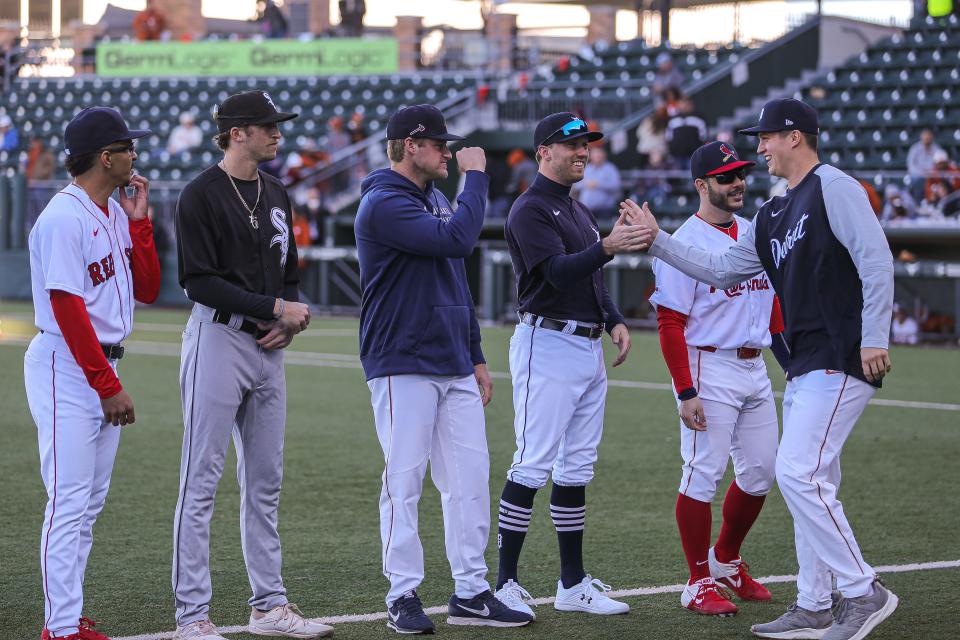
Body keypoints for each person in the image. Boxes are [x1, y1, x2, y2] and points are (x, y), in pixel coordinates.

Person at [623, 97, 898, 640]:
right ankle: (816, 604)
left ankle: (862, 591)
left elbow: (876, 259)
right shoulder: (774, 211)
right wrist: (658, 240)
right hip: (800, 366)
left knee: (795, 473)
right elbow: (721, 271)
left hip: (841, 354)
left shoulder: (834, 187)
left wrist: (874, 338)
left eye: (766, 138)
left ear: (795, 136)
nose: (760, 149)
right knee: (811, 478)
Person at [354, 104, 533, 634]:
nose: (448, 152)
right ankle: (402, 593)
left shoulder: (430, 196)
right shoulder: (383, 202)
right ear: (411, 146)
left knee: (470, 480)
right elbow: (458, 239)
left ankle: (471, 591)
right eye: (439, 144)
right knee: (404, 479)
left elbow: (455, 278)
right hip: (401, 358)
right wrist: (476, 176)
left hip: (450, 359)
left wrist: (475, 352)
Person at [171, 91, 331, 640]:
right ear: (237, 132)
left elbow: (288, 271)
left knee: (265, 483)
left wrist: (286, 318)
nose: (277, 133)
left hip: (269, 348)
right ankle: (192, 616)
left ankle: (269, 608)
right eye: (267, 126)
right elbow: (197, 280)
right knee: (201, 482)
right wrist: (274, 309)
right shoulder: (200, 195)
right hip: (218, 338)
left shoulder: (277, 191)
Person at [493, 113, 646, 619]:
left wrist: (614, 318)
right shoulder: (530, 209)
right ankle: (506, 584)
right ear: (543, 152)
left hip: (585, 345)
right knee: (533, 461)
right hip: (548, 341)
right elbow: (556, 275)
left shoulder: (575, 209)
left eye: (585, 144)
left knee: (577, 465)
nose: (582, 151)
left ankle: (572, 584)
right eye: (571, 144)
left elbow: (592, 282)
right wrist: (605, 248)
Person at [25, 107, 160, 640]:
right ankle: (59, 628)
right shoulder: (64, 216)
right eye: (128, 147)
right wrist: (106, 384)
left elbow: (146, 288)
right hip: (67, 364)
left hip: (97, 362)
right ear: (106, 158)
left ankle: (66, 613)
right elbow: (66, 306)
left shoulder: (113, 211)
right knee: (69, 498)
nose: (135, 155)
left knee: (87, 503)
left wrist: (142, 220)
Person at [650, 141, 788, 617]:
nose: (737, 183)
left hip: (753, 365)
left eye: (740, 174)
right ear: (701, 185)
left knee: (761, 472)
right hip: (709, 364)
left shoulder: (754, 231)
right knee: (702, 474)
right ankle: (697, 581)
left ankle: (726, 559)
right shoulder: (683, 241)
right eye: (726, 176)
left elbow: (772, 306)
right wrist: (685, 390)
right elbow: (669, 323)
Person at [571, 144, 621, 218]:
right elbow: (576, 185)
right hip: (586, 208)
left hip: (605, 209)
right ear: (590, 156)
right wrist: (585, 184)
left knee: (604, 228)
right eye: (595, 154)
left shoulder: (611, 168)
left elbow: (616, 186)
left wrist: (598, 184)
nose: (598, 156)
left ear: (604, 155)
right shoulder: (586, 168)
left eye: (599, 153)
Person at [666, 98, 706, 169]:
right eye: (682, 104)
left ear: (691, 105)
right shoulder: (673, 119)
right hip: (676, 155)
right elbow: (668, 136)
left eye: (687, 104)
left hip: (693, 155)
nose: (684, 106)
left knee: (692, 176)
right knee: (676, 177)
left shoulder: (699, 118)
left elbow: (703, 136)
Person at [906, 128, 942, 202]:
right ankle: (918, 202)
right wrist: (922, 173)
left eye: (929, 137)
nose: (927, 139)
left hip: (933, 175)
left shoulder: (936, 148)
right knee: (918, 181)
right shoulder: (915, 149)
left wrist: (931, 172)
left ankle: (934, 202)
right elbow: (910, 166)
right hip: (918, 176)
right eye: (925, 137)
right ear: (921, 137)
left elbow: (939, 164)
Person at [924, 149, 960, 216]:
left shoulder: (954, 171)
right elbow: (929, 191)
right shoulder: (932, 174)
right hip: (938, 199)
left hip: (952, 199)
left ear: (946, 162)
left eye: (942, 163)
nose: (941, 165)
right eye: (939, 163)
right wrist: (934, 194)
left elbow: (957, 187)